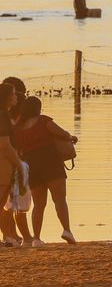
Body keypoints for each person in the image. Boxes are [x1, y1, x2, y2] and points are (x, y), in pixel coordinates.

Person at [12, 95, 76, 245]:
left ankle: (36, 238)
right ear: (37, 108)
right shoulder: (43, 121)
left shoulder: (17, 128)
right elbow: (63, 134)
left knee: (39, 204)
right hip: (51, 162)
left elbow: (16, 149)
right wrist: (71, 137)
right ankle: (67, 230)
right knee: (59, 200)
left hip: (31, 166)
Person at [0, 77, 26, 247]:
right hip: (4, 164)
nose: (16, 98)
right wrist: (19, 165)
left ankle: (9, 236)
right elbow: (4, 144)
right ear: (8, 97)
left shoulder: (5, 115)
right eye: (14, 95)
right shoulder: (2, 116)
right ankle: (10, 236)